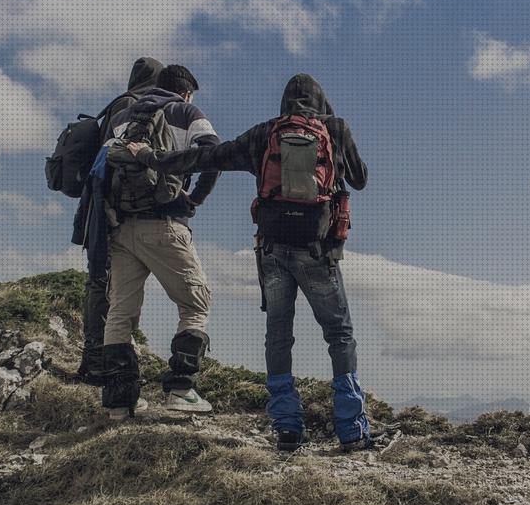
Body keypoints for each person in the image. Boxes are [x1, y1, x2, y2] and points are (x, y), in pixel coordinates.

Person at [129, 74, 377, 451]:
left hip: (273, 252)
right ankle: (352, 429)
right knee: (339, 334)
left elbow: (208, 155)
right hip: (318, 251)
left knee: (279, 334)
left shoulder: (265, 133)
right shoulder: (335, 129)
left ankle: (288, 427)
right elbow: (359, 180)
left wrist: (152, 158)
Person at [97, 64, 221, 419]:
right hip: (164, 224)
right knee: (196, 303)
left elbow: (102, 167)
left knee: (120, 313)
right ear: (185, 92)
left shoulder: (123, 117)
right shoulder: (186, 111)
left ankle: (121, 402)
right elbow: (212, 153)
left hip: (120, 227)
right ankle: (181, 389)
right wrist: (194, 199)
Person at [71, 56, 163, 385]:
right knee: (104, 282)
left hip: (100, 205)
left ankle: (100, 359)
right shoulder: (134, 106)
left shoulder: (118, 103)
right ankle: (98, 363)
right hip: (111, 210)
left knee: (107, 282)